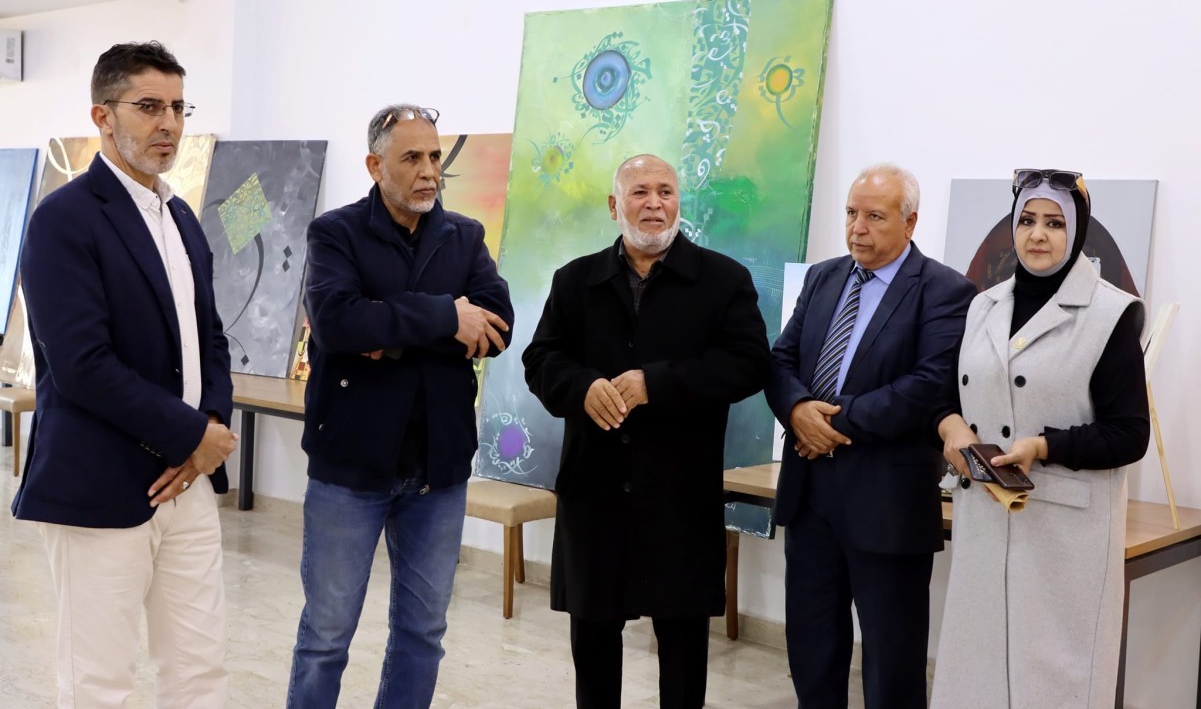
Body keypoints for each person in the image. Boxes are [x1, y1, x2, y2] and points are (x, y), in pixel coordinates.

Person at [11, 41, 238, 707]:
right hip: (100, 482)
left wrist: (211, 426)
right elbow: (81, 365)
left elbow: (210, 336)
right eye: (149, 107)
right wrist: (190, 435)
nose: (169, 123)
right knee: (99, 681)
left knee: (199, 669)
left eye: (178, 107)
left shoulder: (181, 215)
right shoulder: (63, 219)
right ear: (102, 116)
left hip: (187, 483)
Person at [523, 154, 771, 709]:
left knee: (682, 651)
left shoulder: (724, 280)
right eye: (639, 192)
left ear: (679, 202)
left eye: (665, 192)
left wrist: (656, 383)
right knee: (593, 646)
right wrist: (582, 387)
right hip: (595, 492)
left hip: (680, 494)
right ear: (615, 205)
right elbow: (540, 360)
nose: (654, 204)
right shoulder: (575, 280)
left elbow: (749, 364)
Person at [287, 104, 514, 709]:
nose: (429, 171)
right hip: (350, 466)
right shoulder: (335, 233)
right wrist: (446, 317)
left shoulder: (464, 236)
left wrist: (388, 330)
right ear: (375, 165)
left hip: (438, 468)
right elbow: (337, 324)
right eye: (412, 157)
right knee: (326, 636)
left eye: (435, 156)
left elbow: (497, 327)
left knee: (423, 634)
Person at [931, 170, 1149, 709]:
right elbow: (949, 394)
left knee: (1054, 687)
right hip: (986, 525)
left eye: (1055, 223)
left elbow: (1129, 434)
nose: (1037, 234)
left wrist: (1043, 446)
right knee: (976, 680)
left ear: (1077, 231)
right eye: (1027, 220)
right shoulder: (982, 306)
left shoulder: (1112, 314)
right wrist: (949, 424)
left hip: (1064, 544)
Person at [767, 163, 976, 709]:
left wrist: (827, 424)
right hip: (810, 496)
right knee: (811, 648)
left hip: (887, 503)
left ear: (910, 223)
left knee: (892, 661)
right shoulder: (824, 277)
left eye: (875, 217)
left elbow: (928, 386)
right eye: (851, 213)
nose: (857, 228)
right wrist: (797, 409)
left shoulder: (945, 290)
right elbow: (781, 360)